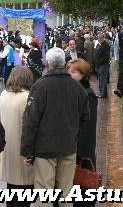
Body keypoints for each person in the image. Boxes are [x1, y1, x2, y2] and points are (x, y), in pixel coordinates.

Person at [20, 47, 90, 207]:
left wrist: (27, 150)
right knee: (66, 192)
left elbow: (30, 121)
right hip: (68, 146)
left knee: (45, 192)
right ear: (64, 64)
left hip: (45, 149)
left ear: (48, 64)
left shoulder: (40, 87)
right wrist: (72, 131)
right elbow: (85, 118)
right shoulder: (77, 87)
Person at [0, 67, 34, 207]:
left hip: (7, 148)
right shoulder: (27, 97)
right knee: (24, 192)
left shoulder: (4, 95)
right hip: (23, 149)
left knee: (11, 188)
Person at [66, 59, 96, 207]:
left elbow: (87, 127)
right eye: (69, 71)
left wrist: (81, 153)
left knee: (84, 191)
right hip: (74, 149)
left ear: (83, 74)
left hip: (82, 152)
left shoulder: (88, 94)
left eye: (74, 72)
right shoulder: (76, 91)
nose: (69, 74)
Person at [94, 33, 111, 98]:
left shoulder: (106, 45)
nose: (99, 40)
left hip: (103, 65)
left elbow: (106, 57)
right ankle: (102, 92)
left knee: (103, 79)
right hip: (99, 65)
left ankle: (103, 93)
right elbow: (96, 54)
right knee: (100, 79)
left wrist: (99, 62)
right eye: (98, 38)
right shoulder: (98, 45)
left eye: (101, 38)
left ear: (103, 38)